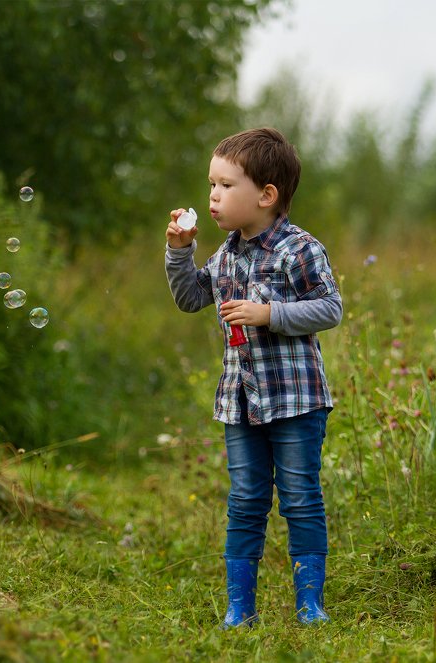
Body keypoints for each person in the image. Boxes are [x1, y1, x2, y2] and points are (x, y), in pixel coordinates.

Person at [164, 127, 342, 627]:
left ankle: (310, 604)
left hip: (296, 401)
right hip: (240, 403)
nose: (213, 196)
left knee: (300, 498)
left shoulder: (299, 250)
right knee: (245, 500)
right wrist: (179, 253)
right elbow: (190, 298)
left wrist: (270, 314)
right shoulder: (224, 254)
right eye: (211, 185)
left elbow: (330, 308)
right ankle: (240, 608)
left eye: (225, 186)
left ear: (266, 195)